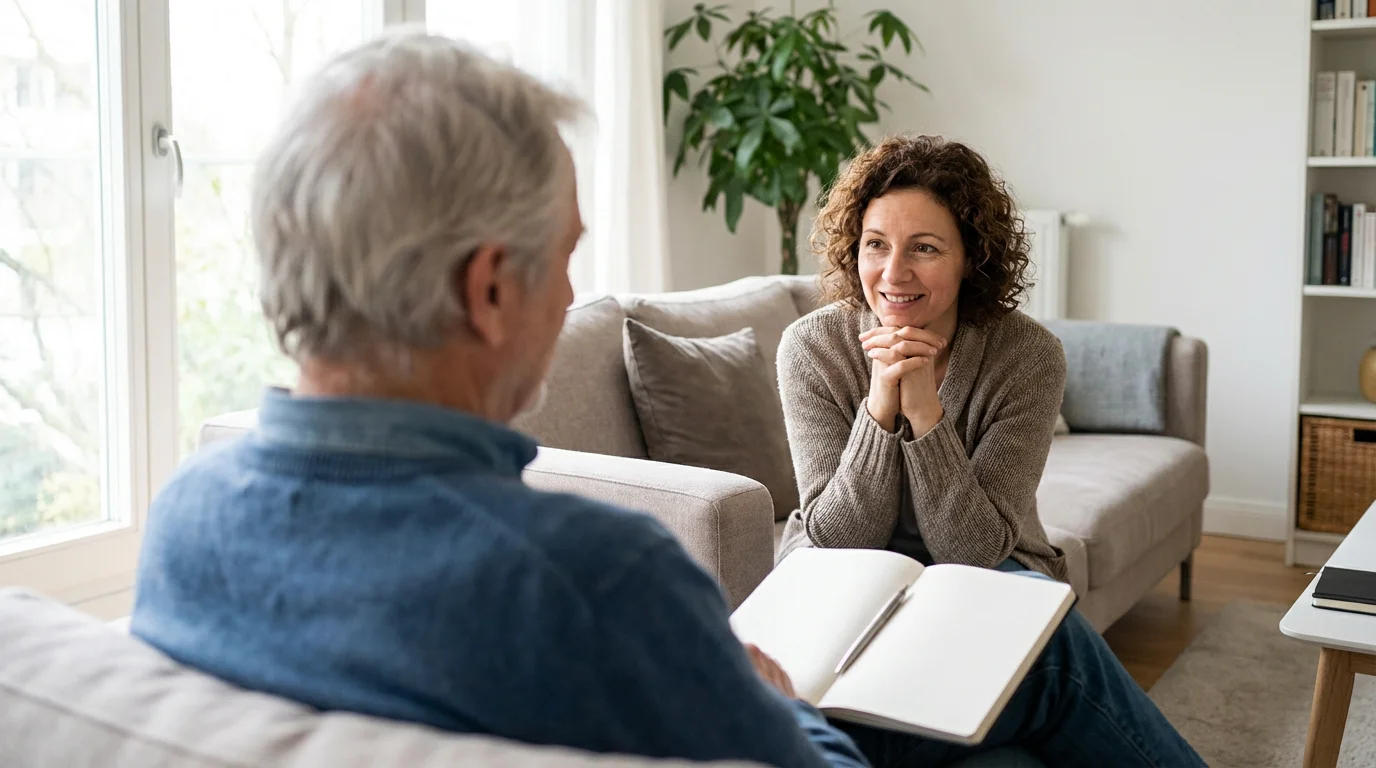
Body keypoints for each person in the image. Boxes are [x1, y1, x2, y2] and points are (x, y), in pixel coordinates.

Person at [126, 30, 1192, 768]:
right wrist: (767, 695)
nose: (575, 294)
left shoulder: (186, 518)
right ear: (492, 290)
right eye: (561, 262)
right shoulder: (599, 579)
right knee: (1045, 661)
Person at [773, 133, 1204, 765]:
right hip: (846, 597)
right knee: (1046, 677)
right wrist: (878, 406)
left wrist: (924, 411)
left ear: (970, 257)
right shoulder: (812, 349)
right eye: (875, 245)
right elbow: (840, 540)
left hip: (982, 579)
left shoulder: (1026, 356)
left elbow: (974, 551)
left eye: (924, 248)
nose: (893, 274)